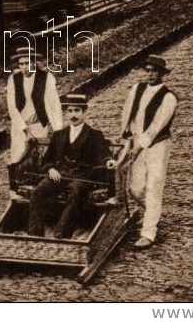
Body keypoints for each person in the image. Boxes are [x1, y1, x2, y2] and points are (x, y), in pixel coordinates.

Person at [27, 93, 111, 238]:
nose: (73, 115)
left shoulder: (95, 135)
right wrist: (51, 169)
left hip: (82, 177)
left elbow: (104, 154)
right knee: (37, 191)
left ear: (84, 112)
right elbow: (47, 159)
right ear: (66, 113)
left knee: (76, 192)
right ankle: (35, 233)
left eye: (77, 111)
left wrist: (109, 160)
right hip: (60, 175)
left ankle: (61, 233)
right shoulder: (59, 135)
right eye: (70, 111)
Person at [119, 54, 178, 249]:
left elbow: (155, 127)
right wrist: (125, 134)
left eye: (155, 71)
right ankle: (152, 213)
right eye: (148, 70)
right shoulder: (137, 89)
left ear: (162, 74)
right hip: (136, 141)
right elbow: (128, 112)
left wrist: (139, 147)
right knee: (134, 188)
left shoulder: (168, 97)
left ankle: (148, 232)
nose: (150, 74)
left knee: (154, 186)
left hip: (157, 146)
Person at [6, 47, 63, 193]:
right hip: (21, 125)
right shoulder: (14, 79)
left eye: (27, 63)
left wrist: (57, 129)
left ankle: (39, 188)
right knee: (19, 155)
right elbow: (12, 107)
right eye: (21, 64)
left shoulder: (46, 77)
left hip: (39, 123)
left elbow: (54, 104)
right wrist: (25, 130)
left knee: (40, 155)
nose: (24, 67)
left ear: (34, 62)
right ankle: (16, 189)